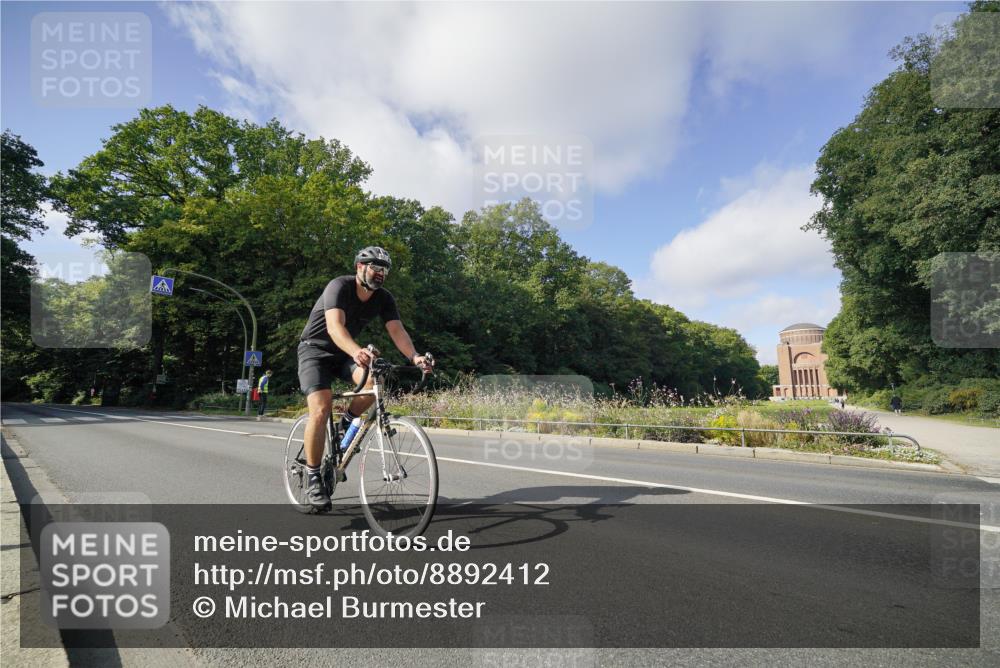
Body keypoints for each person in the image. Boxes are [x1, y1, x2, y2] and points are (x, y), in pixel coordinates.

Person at [297, 246, 434, 509]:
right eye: (375, 267)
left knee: (373, 379)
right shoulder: (338, 287)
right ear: (360, 267)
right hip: (315, 350)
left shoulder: (384, 298)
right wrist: (356, 350)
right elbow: (334, 328)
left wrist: (415, 357)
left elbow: (397, 330)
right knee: (321, 407)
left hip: (345, 354)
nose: (380, 273)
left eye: (384, 270)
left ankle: (345, 424)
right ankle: (313, 476)